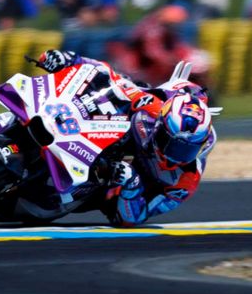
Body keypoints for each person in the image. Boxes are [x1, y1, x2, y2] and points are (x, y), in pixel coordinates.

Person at [33, 48, 216, 227]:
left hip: (115, 188)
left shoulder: (184, 182)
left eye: (186, 150)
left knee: (93, 202)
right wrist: (70, 60)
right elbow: (111, 76)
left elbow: (137, 216)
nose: (175, 155)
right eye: (172, 144)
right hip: (106, 134)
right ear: (161, 126)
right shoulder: (151, 106)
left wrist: (132, 184)